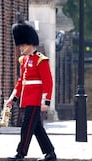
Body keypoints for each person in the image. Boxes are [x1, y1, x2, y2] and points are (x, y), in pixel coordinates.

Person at [6, 20, 56, 161]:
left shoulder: (41, 60)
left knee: (26, 126)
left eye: (22, 44)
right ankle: (50, 154)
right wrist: (13, 98)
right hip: (27, 99)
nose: (20, 47)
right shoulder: (24, 61)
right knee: (37, 129)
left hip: (35, 99)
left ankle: (20, 154)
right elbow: (21, 82)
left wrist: (46, 101)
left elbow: (48, 82)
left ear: (30, 43)